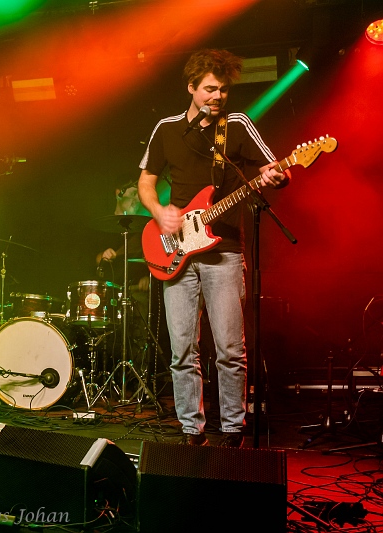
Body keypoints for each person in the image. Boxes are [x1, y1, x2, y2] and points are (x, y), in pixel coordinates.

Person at [137, 49, 289, 447]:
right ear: (191, 88)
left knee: (229, 349)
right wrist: (159, 212)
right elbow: (146, 181)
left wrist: (276, 175)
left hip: (225, 252)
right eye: (209, 89)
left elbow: (271, 167)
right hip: (175, 251)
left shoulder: (235, 125)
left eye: (222, 89)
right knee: (182, 350)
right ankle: (193, 430)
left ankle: (234, 430)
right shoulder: (167, 129)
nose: (217, 96)